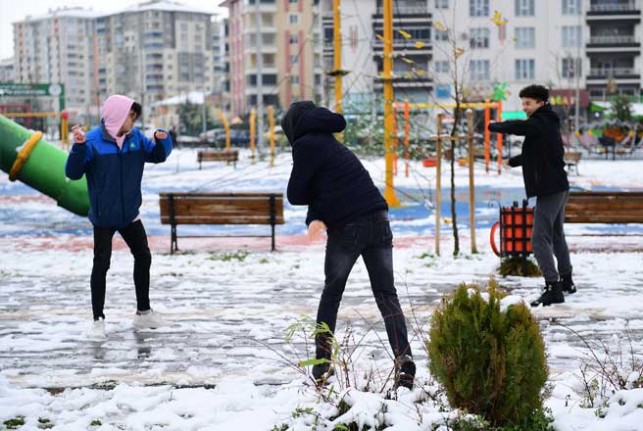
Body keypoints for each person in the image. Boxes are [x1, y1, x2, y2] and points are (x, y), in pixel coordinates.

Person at [282, 101, 415, 389]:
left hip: (349, 227)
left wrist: (313, 210)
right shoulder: (332, 144)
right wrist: (315, 213)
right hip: (379, 219)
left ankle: (322, 365)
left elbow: (296, 192)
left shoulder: (305, 145)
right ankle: (404, 361)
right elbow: (324, 188)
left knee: (332, 294)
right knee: (386, 294)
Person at [65, 95, 173, 340]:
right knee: (101, 265)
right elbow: (72, 172)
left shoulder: (136, 139)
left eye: (134, 117)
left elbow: (158, 155)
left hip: (129, 214)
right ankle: (98, 320)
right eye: (129, 116)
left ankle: (143, 311)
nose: (132, 121)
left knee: (143, 256)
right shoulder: (92, 141)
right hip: (104, 216)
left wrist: (162, 140)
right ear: (115, 117)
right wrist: (79, 147)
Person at [488, 84, 576, 307]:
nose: (525, 108)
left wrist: (494, 126)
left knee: (539, 239)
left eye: (528, 103)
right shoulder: (546, 123)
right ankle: (566, 281)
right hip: (557, 186)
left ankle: (553, 287)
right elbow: (537, 153)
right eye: (523, 103)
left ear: (540, 102)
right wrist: (513, 161)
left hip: (550, 189)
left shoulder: (541, 122)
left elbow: (519, 127)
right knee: (556, 235)